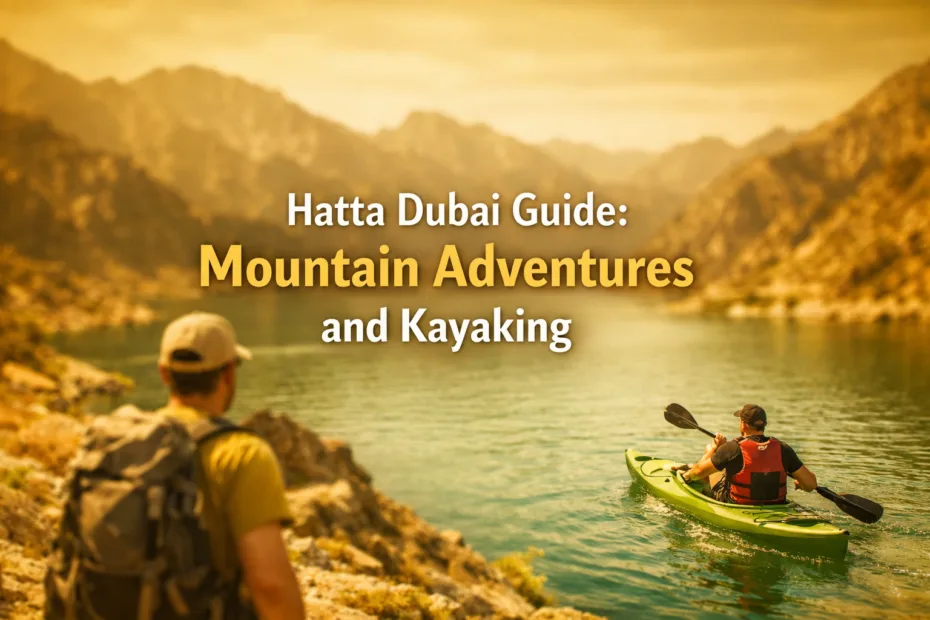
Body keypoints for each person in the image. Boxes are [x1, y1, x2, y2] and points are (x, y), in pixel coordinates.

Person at [155, 311, 305, 619]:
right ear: (228, 374)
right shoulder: (241, 454)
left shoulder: (116, 437)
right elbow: (270, 585)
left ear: (164, 374)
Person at [674, 404, 818, 505]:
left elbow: (699, 472)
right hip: (776, 504)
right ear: (764, 425)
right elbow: (811, 485)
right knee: (721, 460)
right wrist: (802, 483)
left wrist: (715, 449)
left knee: (709, 454)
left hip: (737, 504)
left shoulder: (733, 448)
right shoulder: (783, 448)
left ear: (743, 424)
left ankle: (688, 470)